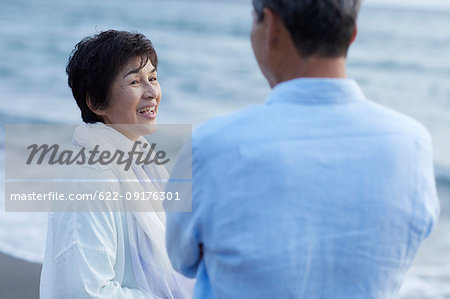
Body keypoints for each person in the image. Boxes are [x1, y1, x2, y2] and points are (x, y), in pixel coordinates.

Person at [165, 0, 440, 298]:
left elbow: (181, 259)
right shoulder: (413, 145)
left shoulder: (210, 146)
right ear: (352, 35)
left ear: (270, 26)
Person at [40, 30, 193, 298]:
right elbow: (84, 292)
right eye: (135, 82)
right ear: (97, 102)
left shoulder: (141, 161)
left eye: (153, 78)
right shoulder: (92, 174)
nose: (152, 93)